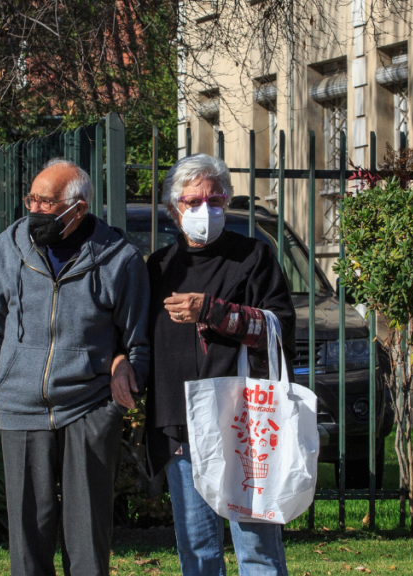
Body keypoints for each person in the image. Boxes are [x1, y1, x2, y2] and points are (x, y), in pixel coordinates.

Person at [0, 158, 150, 576]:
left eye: (47, 203)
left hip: (89, 406)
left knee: (87, 538)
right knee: (28, 538)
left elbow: (138, 339)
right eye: (31, 199)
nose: (34, 209)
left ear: (78, 209)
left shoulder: (120, 259)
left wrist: (126, 371)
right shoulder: (8, 246)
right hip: (20, 404)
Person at [145, 154, 297, 576]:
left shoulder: (254, 257)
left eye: (215, 200)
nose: (205, 210)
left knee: (257, 550)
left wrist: (212, 312)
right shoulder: (158, 268)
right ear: (174, 209)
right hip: (182, 427)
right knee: (197, 551)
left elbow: (279, 329)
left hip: (244, 423)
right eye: (193, 201)